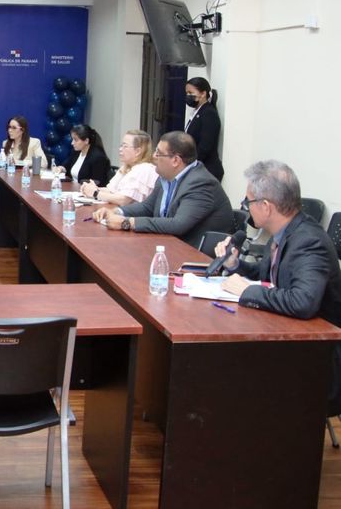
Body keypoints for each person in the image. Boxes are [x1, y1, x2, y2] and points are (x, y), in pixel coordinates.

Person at [216, 160, 341, 415]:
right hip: (286, 337)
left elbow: (302, 302)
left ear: (266, 206)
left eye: (248, 201)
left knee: (230, 369)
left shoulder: (309, 242)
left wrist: (246, 291)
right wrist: (235, 265)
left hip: (318, 357)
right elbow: (269, 275)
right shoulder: (284, 231)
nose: (245, 207)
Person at [93, 131, 234, 248]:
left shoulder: (201, 184)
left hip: (195, 256)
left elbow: (178, 224)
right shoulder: (165, 177)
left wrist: (127, 222)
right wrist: (115, 212)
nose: (154, 157)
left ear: (176, 160)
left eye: (159, 153)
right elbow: (147, 207)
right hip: (168, 245)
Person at [80, 129, 158, 206]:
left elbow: (123, 200)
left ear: (138, 151)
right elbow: (112, 191)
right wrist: (93, 188)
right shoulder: (126, 167)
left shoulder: (145, 169)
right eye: (121, 145)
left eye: (125, 146)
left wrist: (95, 193)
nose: (120, 149)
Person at [184, 77, 224, 181]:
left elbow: (205, 146)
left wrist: (190, 163)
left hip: (207, 169)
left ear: (203, 94)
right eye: (187, 93)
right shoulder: (197, 112)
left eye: (191, 93)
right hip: (196, 167)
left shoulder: (208, 113)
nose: (188, 96)